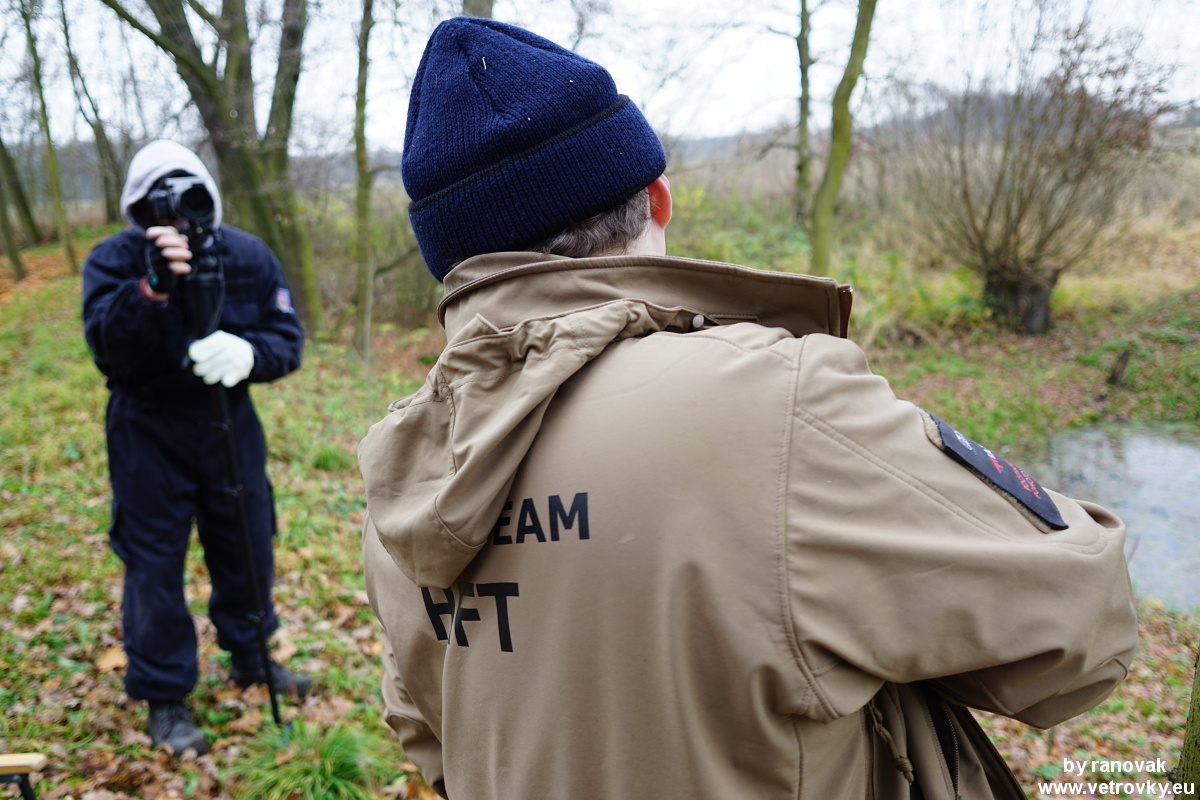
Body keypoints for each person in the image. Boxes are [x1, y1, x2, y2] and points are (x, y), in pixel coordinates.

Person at [359, 18, 1138, 800]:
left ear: (454, 265)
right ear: (658, 199)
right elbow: (1082, 628)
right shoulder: (777, 404)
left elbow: (432, 737)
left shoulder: (407, 469)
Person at [83, 140, 311, 756]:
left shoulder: (247, 254)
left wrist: (250, 354)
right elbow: (103, 344)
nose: (179, 212)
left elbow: (287, 337)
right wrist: (150, 289)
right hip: (146, 427)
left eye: (191, 194)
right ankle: (165, 695)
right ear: (139, 206)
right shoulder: (115, 259)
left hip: (228, 423)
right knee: (153, 562)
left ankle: (253, 657)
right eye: (161, 198)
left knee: (247, 542)